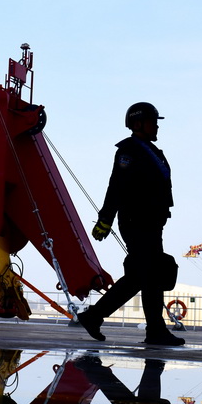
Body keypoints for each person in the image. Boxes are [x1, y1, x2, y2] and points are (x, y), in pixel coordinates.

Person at [76, 102, 184, 346]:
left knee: (141, 277)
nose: (156, 125)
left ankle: (94, 316)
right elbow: (117, 186)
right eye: (152, 121)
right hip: (137, 222)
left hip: (152, 222)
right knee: (150, 275)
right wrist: (105, 219)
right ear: (137, 124)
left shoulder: (152, 151)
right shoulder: (129, 151)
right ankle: (154, 330)